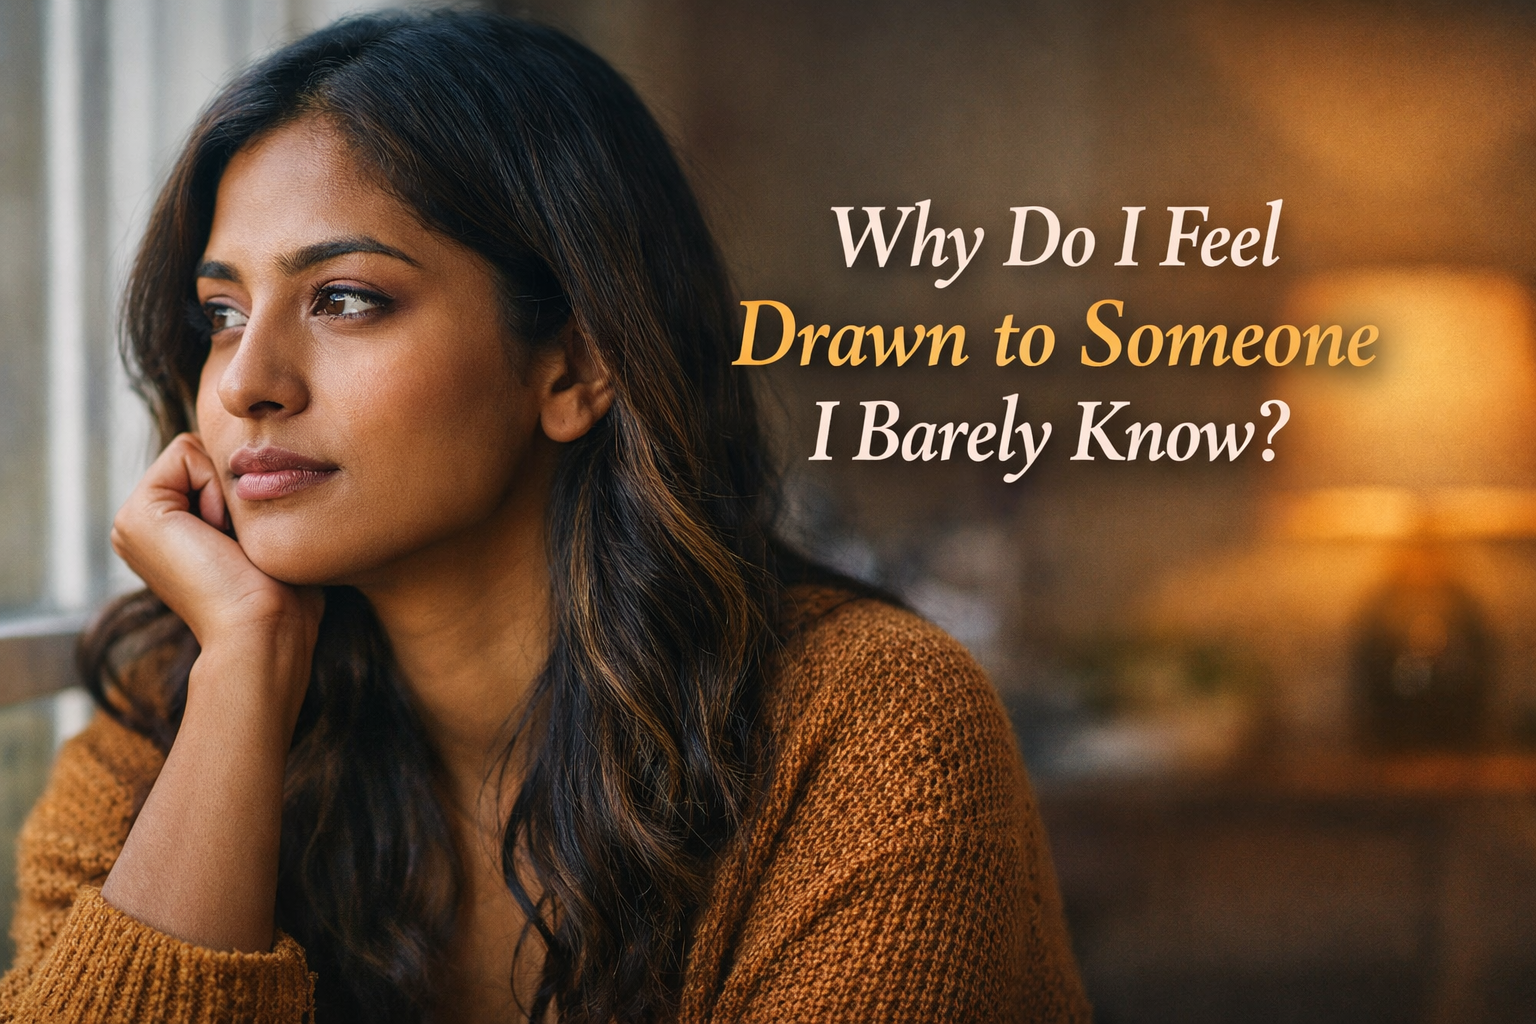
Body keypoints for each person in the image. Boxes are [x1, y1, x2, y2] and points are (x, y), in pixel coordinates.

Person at [0, 10, 1089, 1023]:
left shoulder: (873, 733)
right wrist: (244, 664)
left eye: (345, 298)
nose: (244, 381)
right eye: (220, 313)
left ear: (575, 362)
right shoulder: (164, 731)